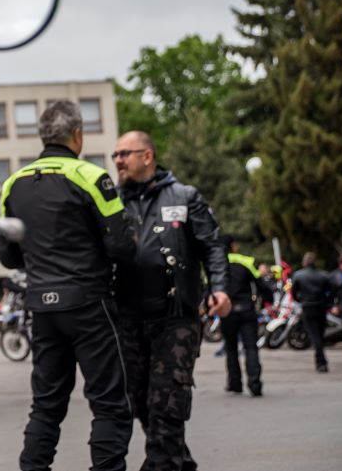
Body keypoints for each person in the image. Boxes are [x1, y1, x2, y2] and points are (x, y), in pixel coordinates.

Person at [0, 101, 136, 471]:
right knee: (109, 403)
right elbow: (122, 246)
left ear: (43, 136)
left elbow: (7, 255)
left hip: (42, 307)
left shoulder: (13, 184)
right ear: (77, 135)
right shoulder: (92, 177)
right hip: (89, 304)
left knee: (46, 405)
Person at [112, 130, 230, 471]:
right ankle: (180, 463)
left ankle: (161, 465)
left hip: (175, 317)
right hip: (127, 318)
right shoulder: (112, 201)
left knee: (167, 401)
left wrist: (220, 287)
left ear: (147, 156)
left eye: (125, 153)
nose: (118, 161)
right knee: (139, 400)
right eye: (115, 155)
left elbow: (212, 246)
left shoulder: (184, 196)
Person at [221, 236, 273, 396]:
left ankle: (235, 384)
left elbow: (210, 289)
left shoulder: (217, 264)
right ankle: (255, 385)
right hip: (246, 310)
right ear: (233, 245)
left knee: (231, 348)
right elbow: (260, 284)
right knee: (251, 347)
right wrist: (270, 299)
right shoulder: (246, 261)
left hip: (227, 312)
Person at [289, 252, 333, 372]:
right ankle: (321, 360)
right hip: (321, 307)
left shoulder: (299, 275)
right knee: (319, 334)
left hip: (308, 307)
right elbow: (331, 292)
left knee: (315, 335)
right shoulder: (323, 275)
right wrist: (327, 303)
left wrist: (301, 300)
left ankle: (321, 361)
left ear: (304, 262)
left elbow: (294, 293)